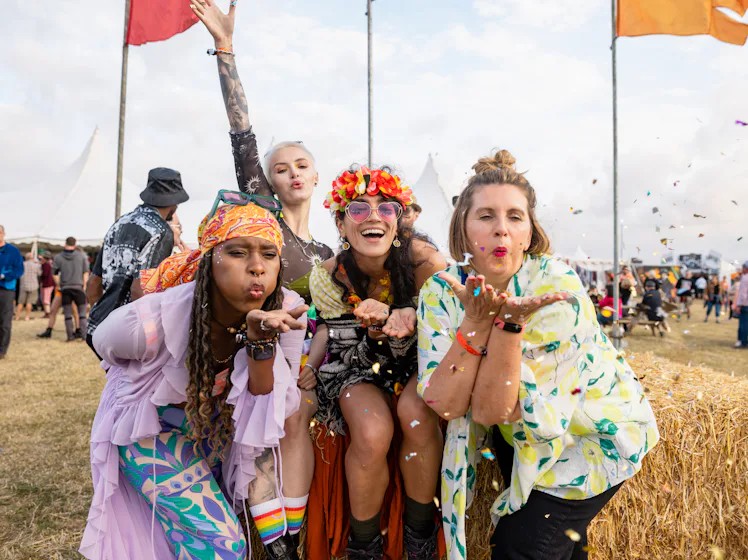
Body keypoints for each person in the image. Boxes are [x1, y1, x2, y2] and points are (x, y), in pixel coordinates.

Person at [417, 150, 659, 560]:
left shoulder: (556, 286)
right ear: (462, 227)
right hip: (523, 440)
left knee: (522, 547)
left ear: (529, 233)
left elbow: (491, 409)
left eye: (515, 217)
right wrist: (477, 323)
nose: (501, 230)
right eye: (486, 216)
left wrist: (507, 325)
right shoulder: (441, 291)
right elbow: (444, 401)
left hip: (592, 438)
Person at [79, 201, 309, 559]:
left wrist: (259, 342)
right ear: (209, 261)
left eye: (269, 254)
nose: (257, 267)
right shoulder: (153, 321)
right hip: (149, 432)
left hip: (215, 429)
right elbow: (104, 343)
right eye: (237, 252)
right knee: (224, 544)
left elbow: (266, 403)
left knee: (199, 537)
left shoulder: (289, 312)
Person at [191, 3, 334, 556]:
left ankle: (288, 541)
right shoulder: (265, 225)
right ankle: (271, 541)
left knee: (297, 417)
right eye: (281, 167)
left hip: (304, 363)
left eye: (301, 164)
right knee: (267, 420)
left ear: (317, 177)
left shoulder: (328, 251)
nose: (292, 172)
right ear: (267, 182)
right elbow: (242, 133)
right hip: (254, 354)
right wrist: (226, 52)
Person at [307, 165, 447, 559]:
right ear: (339, 221)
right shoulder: (329, 277)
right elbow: (344, 351)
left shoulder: (428, 265)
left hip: (423, 359)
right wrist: (375, 333)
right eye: (357, 209)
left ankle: (419, 537)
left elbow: (447, 341)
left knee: (416, 413)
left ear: (399, 220)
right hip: (359, 365)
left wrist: (411, 324)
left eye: (386, 209)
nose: (373, 217)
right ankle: (364, 544)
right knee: (370, 431)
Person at [85, 168, 187, 353]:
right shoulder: (162, 232)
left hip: (97, 327)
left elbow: (93, 284)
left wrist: (103, 321)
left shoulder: (120, 223)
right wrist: (154, 337)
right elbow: (141, 291)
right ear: (175, 202)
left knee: (118, 382)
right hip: (127, 332)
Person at [51, 237, 90, 342]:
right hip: (79, 287)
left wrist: (59, 284)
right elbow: (86, 272)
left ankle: (70, 337)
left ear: (65, 243)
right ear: (75, 244)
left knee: (68, 314)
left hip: (65, 288)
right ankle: (84, 337)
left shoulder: (58, 257)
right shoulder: (81, 256)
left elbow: (54, 273)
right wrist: (85, 285)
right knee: (82, 314)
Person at [0, 224, 25, 359]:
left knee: (4, 321)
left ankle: (2, 350)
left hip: (6, 289)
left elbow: (19, 270)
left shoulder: (12, 251)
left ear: (3, 234)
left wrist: (4, 276)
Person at [15, 253, 41, 321]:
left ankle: (17, 316)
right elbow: (39, 273)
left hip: (23, 285)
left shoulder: (22, 265)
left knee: (20, 302)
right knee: (29, 302)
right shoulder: (36, 265)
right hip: (33, 285)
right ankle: (27, 316)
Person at [732, 262, 748, 349]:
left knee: (743, 324)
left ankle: (743, 342)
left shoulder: (745, 278)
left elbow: (743, 294)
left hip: (744, 304)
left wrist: (739, 305)